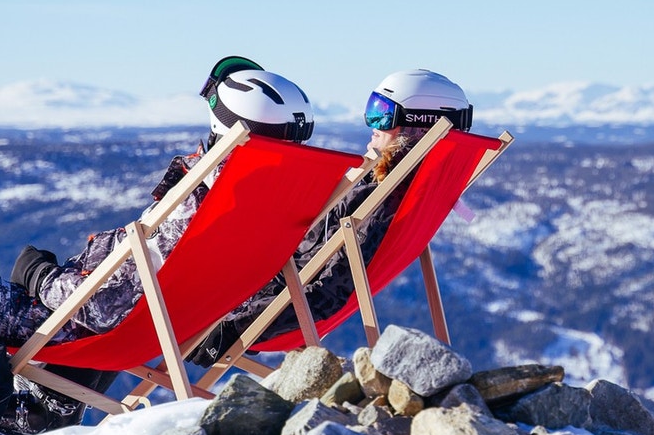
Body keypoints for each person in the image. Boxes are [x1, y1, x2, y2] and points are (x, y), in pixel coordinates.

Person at [0, 62, 475, 435]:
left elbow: (108, 301)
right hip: (190, 311)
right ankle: (40, 403)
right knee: (107, 306)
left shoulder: (220, 200)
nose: (372, 130)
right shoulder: (381, 196)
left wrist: (40, 279)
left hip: (129, 320)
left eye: (384, 117)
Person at [187, 67, 476, 365]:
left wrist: (233, 327)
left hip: (245, 308)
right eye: (372, 108)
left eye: (383, 113)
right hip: (268, 302)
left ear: (419, 127)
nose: (372, 124)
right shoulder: (414, 189)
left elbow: (324, 293)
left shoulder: (378, 200)